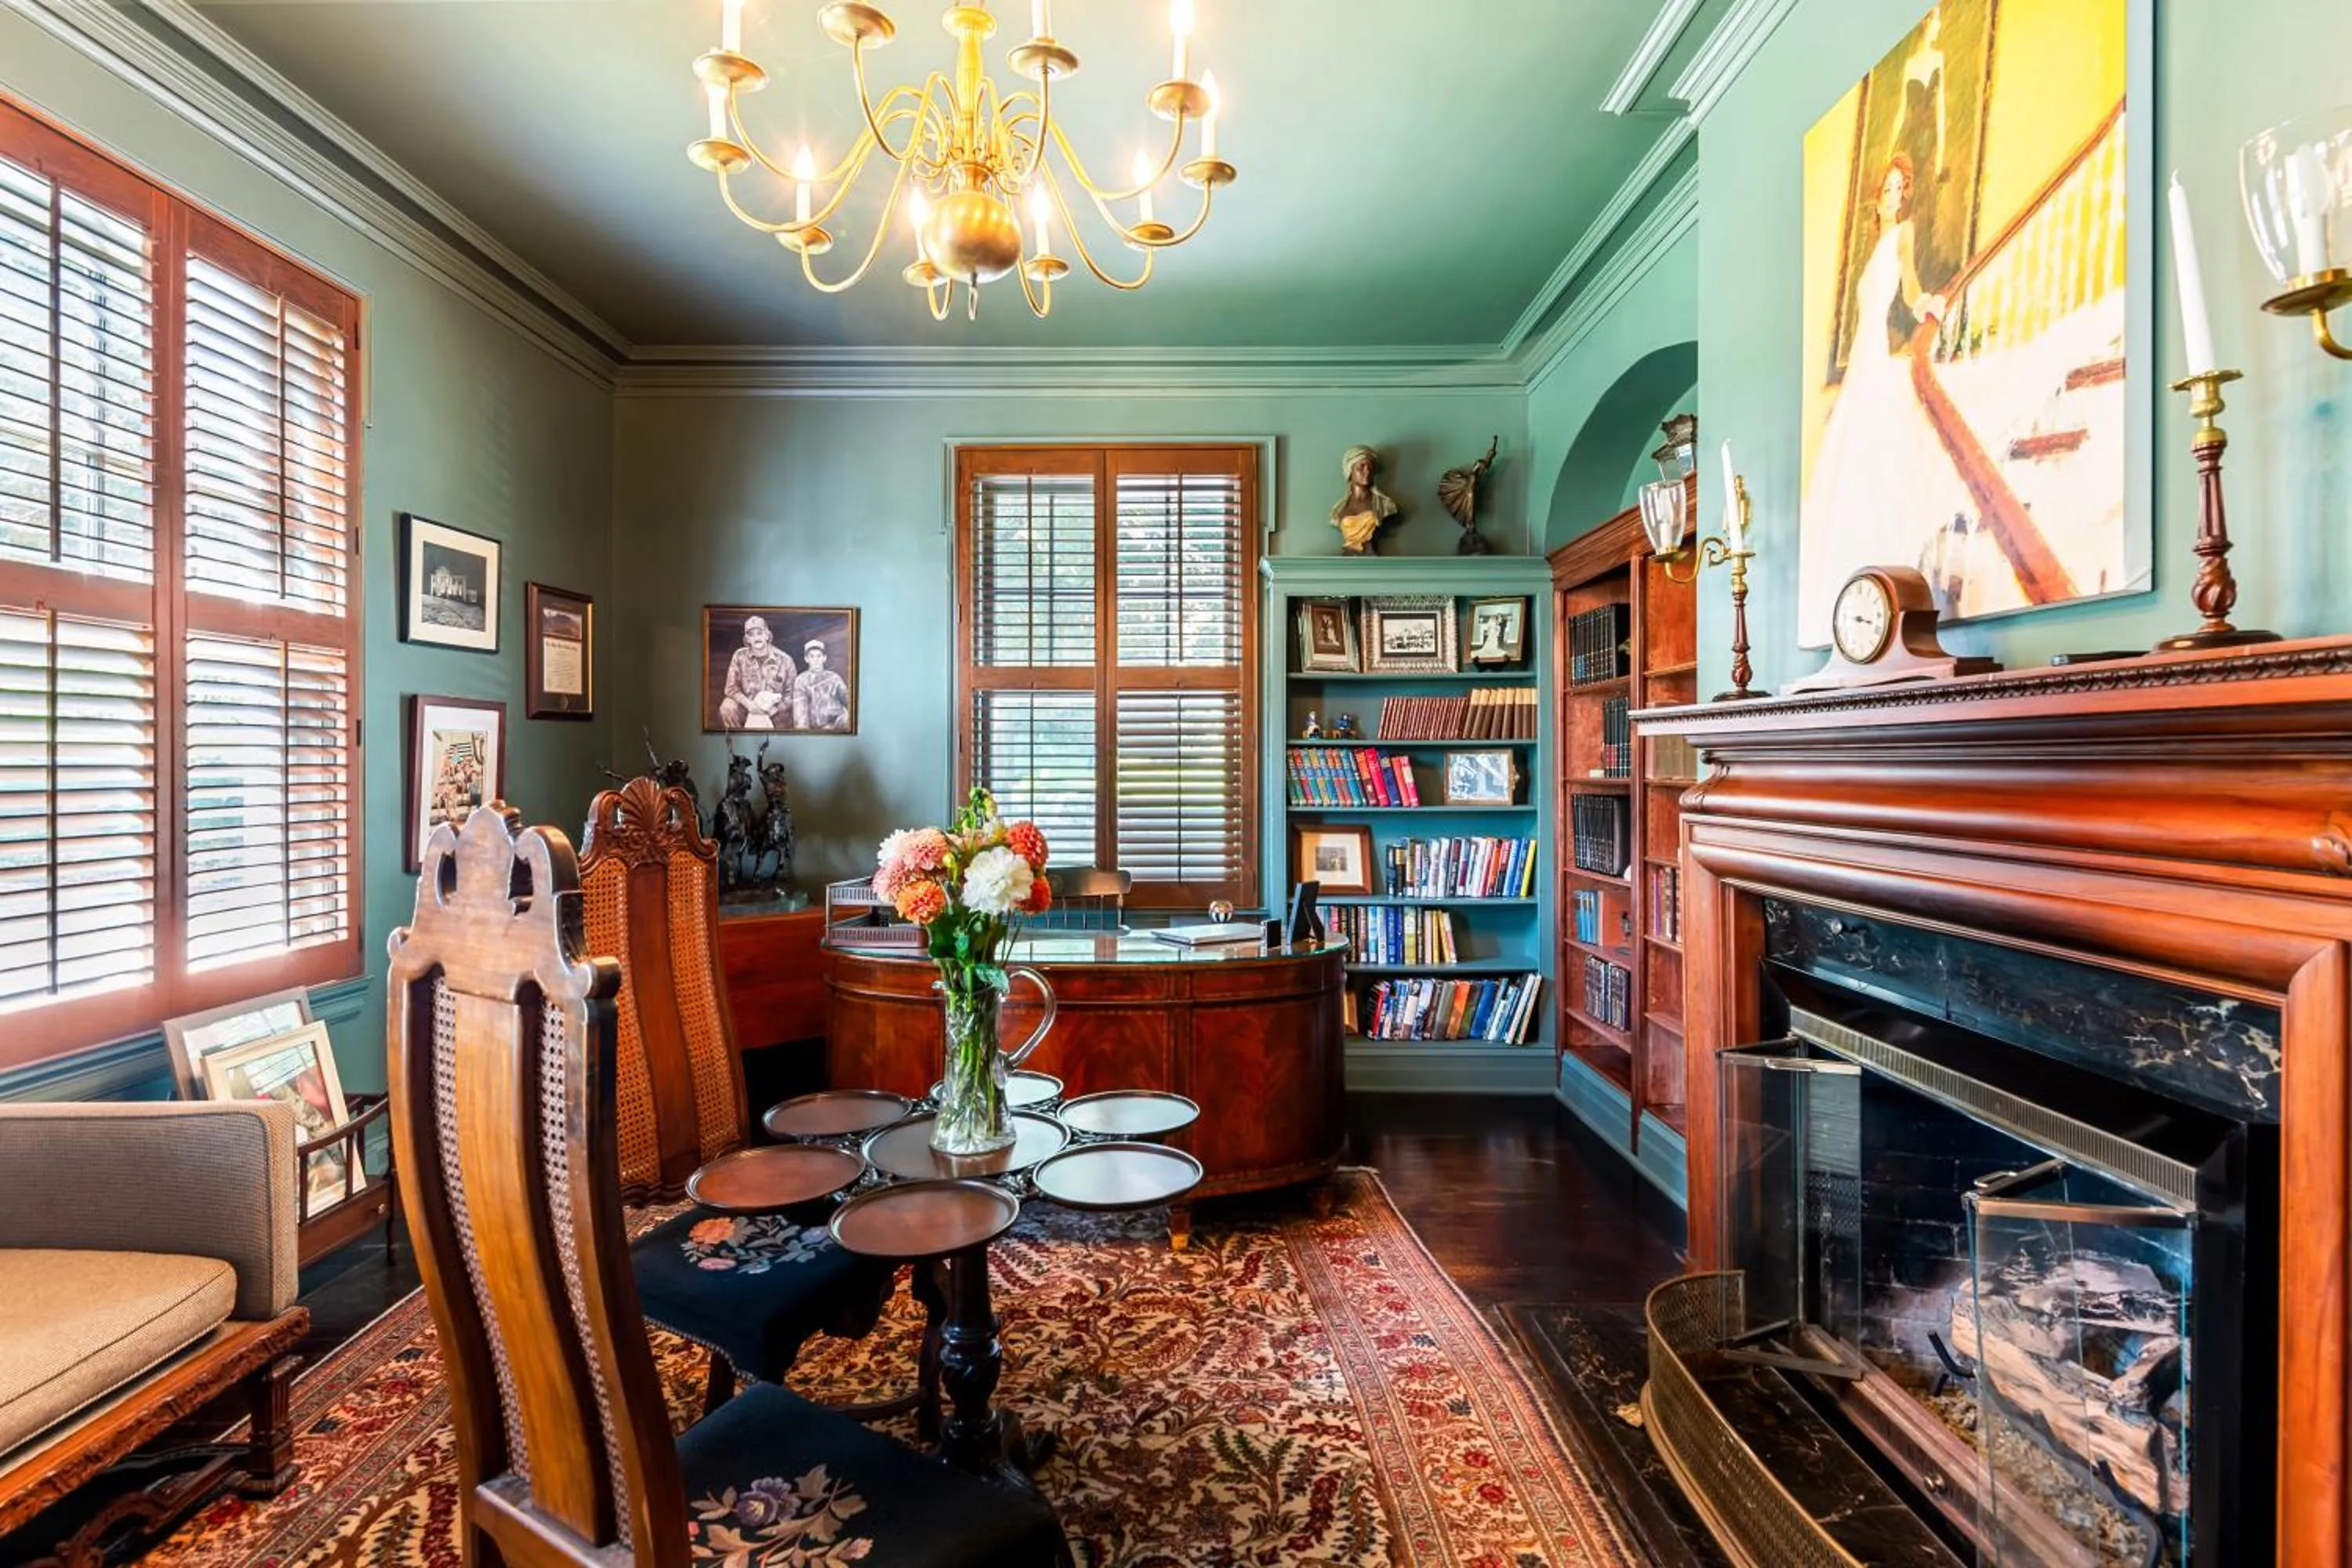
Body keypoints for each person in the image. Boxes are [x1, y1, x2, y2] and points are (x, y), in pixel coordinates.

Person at [1799, 154, 1976, 644]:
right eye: (1888, 188)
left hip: (1875, 346)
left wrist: (1928, 306)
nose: (1893, 196)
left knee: (1874, 441)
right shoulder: (1871, 246)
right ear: (1878, 196)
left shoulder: (1903, 235)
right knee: (1849, 445)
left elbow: (1911, 285)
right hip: (1862, 351)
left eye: (1901, 188)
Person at [719, 615, 795, 730]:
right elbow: (731, 688)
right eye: (751, 634)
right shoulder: (739, 656)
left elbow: (791, 695)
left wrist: (774, 709)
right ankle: (738, 742)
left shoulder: (785, 660)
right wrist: (749, 705)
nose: (756, 638)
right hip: (747, 706)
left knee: (788, 716)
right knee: (727, 707)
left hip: (774, 710)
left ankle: (778, 742)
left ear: (767, 635)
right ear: (747, 639)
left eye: (760, 633)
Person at [1329, 445, 1399, 555]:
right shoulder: (1338, 509)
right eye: (1361, 467)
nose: (1367, 472)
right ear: (1350, 471)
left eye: (1370, 468)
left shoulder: (1385, 505)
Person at [792, 638, 851, 731]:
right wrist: (803, 733)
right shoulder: (801, 680)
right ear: (806, 659)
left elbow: (849, 701)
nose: (816, 660)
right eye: (812, 656)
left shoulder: (834, 677)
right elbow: (800, 714)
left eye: (819, 656)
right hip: (818, 728)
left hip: (840, 723)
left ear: (824, 658)